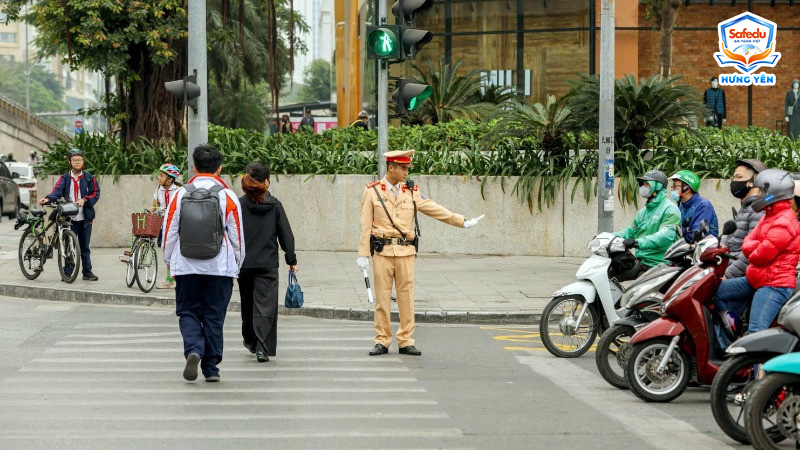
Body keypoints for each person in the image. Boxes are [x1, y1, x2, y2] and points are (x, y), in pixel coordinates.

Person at [357, 150, 485, 356]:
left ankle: (406, 340)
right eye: (404, 168)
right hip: (383, 252)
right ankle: (382, 341)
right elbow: (365, 225)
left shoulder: (411, 191)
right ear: (392, 167)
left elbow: (434, 209)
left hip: (406, 252)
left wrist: (461, 221)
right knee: (382, 299)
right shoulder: (373, 191)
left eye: (408, 168)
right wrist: (363, 253)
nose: (407, 172)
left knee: (406, 298)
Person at [162, 145, 244, 382]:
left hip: (186, 266)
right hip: (220, 268)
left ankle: (194, 349)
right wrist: (236, 266)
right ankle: (211, 369)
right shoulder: (227, 196)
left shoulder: (180, 194)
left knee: (188, 311)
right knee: (214, 316)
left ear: (193, 167)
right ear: (220, 168)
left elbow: (169, 231)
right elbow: (237, 236)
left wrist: (170, 261)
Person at [714, 169, 800, 349]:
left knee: (756, 332)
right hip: (756, 278)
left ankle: (759, 376)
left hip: (774, 284)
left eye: (761, 190)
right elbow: (749, 242)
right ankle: (730, 333)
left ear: (772, 193)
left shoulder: (785, 220)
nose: (758, 194)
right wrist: (753, 247)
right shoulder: (770, 215)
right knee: (712, 291)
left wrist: (752, 248)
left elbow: (760, 255)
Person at [238, 162, 298, 363]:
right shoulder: (275, 205)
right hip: (267, 264)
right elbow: (286, 235)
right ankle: (262, 348)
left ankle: (250, 339)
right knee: (266, 307)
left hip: (244, 264)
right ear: (267, 182)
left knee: (247, 304)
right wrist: (291, 259)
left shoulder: (239, 204)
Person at [41, 148, 100, 281]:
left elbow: (96, 193)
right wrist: (48, 199)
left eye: (79, 159)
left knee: (85, 246)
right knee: (68, 245)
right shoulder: (65, 177)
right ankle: (67, 272)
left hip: (85, 217)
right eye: (74, 160)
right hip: (69, 217)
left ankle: (87, 272)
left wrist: (85, 200)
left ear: (83, 161)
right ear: (70, 162)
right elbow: (57, 190)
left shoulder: (90, 178)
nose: (77, 162)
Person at [612, 170, 681, 280]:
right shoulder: (643, 212)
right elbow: (631, 231)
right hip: (642, 260)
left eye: (647, 184)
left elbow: (665, 235)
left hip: (660, 263)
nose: (643, 187)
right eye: (643, 184)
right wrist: (608, 236)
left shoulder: (670, 209)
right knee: (612, 276)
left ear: (657, 187)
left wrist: (638, 242)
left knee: (637, 293)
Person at [723, 159, 767, 279]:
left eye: (739, 177)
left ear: (755, 180)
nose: (734, 181)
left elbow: (751, 253)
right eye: (734, 177)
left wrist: (727, 276)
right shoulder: (746, 207)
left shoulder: (758, 210)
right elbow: (729, 241)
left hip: (739, 276)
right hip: (725, 266)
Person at [152, 163, 181, 289]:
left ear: (170, 179)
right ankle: (170, 279)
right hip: (165, 225)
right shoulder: (159, 190)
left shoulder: (179, 190)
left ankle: (177, 278)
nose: (159, 177)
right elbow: (154, 205)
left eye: (162, 176)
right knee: (167, 251)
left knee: (178, 252)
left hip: (178, 225)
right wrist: (149, 211)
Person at [669, 169, 719, 243]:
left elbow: (695, 235)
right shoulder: (681, 206)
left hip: (703, 249)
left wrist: (682, 233)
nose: (673, 189)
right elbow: (673, 231)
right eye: (672, 186)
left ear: (687, 189)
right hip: (686, 248)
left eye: (675, 186)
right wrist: (685, 230)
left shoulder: (703, 206)